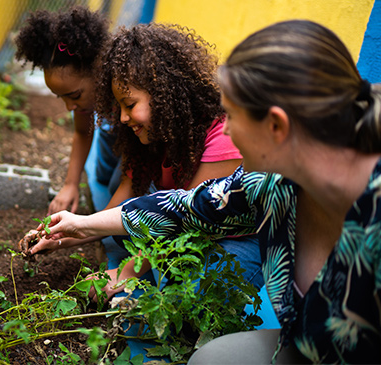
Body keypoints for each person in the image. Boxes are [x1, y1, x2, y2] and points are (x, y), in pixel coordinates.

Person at [39, 19, 381, 364]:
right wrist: (82, 226)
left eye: (232, 115)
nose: (226, 128)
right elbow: (189, 207)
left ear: (276, 126)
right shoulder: (273, 183)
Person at [29, 23, 263, 302]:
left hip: (232, 238)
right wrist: (67, 233)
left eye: (130, 105)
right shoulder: (153, 134)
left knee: (202, 294)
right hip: (180, 223)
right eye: (120, 108)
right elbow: (127, 195)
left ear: (165, 95)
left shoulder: (221, 136)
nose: (124, 118)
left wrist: (124, 274)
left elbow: (189, 219)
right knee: (123, 230)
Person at [15, 6, 120, 216]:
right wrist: (71, 184)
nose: (69, 107)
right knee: (103, 175)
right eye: (60, 97)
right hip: (113, 136)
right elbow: (82, 132)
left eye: (74, 96)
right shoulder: (85, 97)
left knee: (116, 186)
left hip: (141, 147)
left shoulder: (123, 90)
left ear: (99, 72)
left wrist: (96, 225)